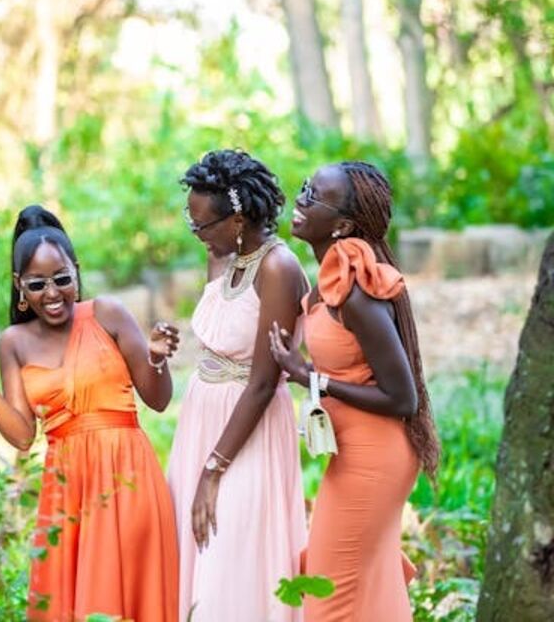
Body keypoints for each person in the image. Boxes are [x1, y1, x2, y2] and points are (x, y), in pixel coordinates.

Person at [0, 205, 180, 622]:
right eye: (37, 284)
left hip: (128, 476)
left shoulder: (107, 314)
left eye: (62, 279)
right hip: (68, 485)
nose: (52, 293)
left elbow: (157, 400)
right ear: (19, 286)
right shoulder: (15, 341)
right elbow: (21, 435)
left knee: (132, 597)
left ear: (77, 272)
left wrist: (156, 358)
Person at [269, 161, 440, 621]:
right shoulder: (329, 284)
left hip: (375, 455)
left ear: (343, 224)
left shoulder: (359, 295)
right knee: (365, 587)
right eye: (303, 186)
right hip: (354, 452)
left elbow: (404, 399)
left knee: (329, 595)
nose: (300, 199)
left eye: (313, 195)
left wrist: (312, 379)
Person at [166, 149, 308, 621]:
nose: (196, 233)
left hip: (249, 430)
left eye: (201, 225)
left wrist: (213, 471)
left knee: (234, 555)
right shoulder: (224, 257)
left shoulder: (277, 268)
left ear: (239, 218)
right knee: (199, 560)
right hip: (201, 426)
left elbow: (265, 381)